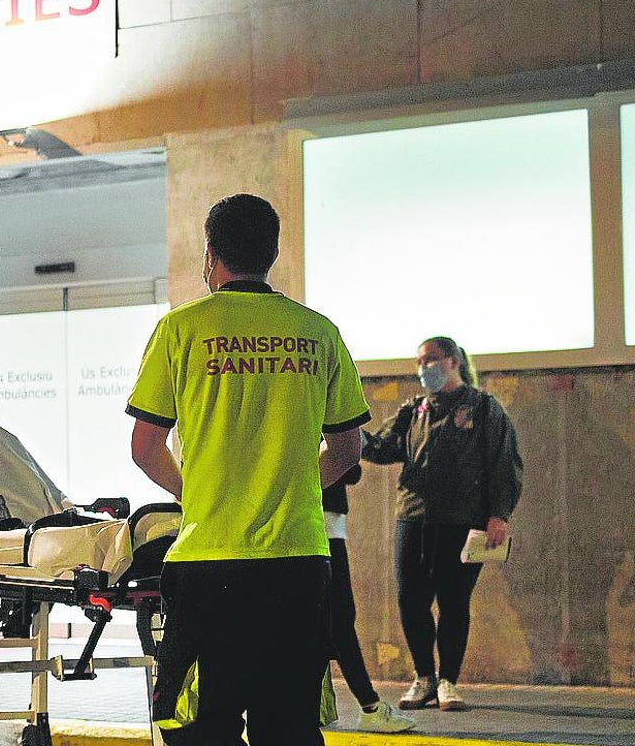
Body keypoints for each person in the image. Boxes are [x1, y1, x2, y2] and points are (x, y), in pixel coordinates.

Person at [127, 194, 371, 745]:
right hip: (299, 561)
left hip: (209, 564)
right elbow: (347, 450)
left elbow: (146, 447)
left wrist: (202, 492)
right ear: (275, 252)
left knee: (199, 728)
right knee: (288, 728)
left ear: (211, 254)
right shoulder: (319, 332)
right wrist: (293, 488)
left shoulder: (180, 330)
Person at [362, 336, 523, 712]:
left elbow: (504, 462)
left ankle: (449, 680)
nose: (424, 369)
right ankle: (424, 679)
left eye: (431, 360)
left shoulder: (483, 408)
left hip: (462, 522)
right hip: (413, 519)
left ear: (452, 361)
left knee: (453, 602)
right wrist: (347, 435)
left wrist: (499, 514)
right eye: (420, 362)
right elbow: (383, 447)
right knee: (411, 601)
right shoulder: (414, 409)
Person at [322, 466, 416, 733]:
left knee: (325, 621)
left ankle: (361, 705)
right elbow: (349, 467)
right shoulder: (315, 424)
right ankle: (370, 706)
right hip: (320, 526)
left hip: (318, 524)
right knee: (339, 619)